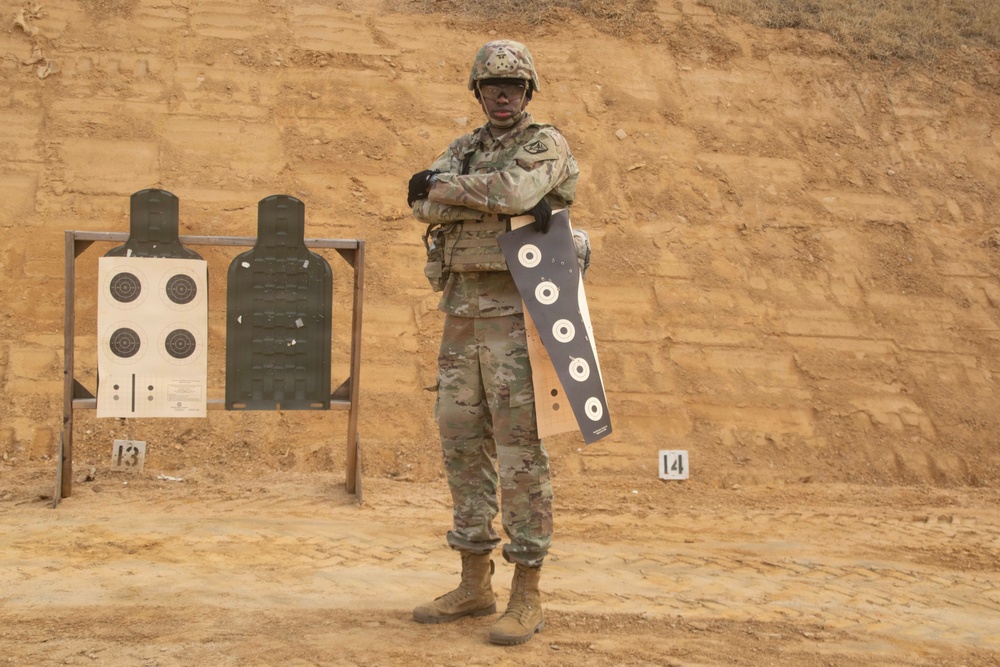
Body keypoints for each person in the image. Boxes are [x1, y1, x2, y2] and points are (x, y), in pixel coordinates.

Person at [406, 39, 579, 645]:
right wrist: (469, 196)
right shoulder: (466, 147)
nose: (501, 95)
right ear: (477, 91)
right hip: (462, 312)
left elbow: (517, 194)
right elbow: (418, 202)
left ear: (528, 91)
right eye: (490, 85)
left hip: (521, 312)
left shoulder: (544, 144)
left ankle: (526, 592)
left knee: (519, 450)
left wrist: (453, 191)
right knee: (459, 436)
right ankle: (473, 582)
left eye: (512, 85)